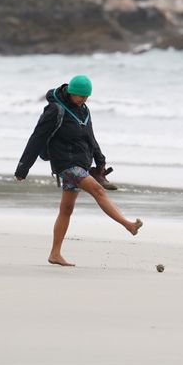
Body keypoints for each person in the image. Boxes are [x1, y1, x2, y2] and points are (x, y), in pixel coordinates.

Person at [15, 74, 142, 266]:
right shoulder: (55, 110)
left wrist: (100, 162)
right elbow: (37, 137)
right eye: (80, 96)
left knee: (66, 209)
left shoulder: (84, 110)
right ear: (70, 93)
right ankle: (128, 225)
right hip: (65, 164)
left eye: (86, 97)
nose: (83, 100)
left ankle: (55, 254)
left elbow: (90, 137)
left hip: (80, 163)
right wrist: (23, 168)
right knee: (98, 191)